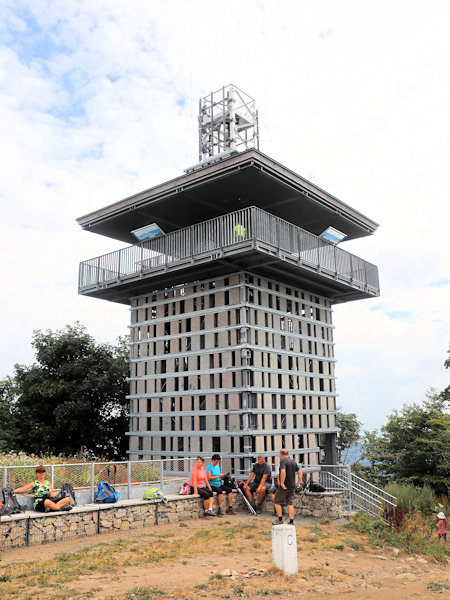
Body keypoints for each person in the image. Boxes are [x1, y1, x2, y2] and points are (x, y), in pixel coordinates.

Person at [273, 449, 302, 525]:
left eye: (279, 454)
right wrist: (298, 483)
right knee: (290, 503)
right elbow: (300, 472)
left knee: (276, 501)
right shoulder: (293, 461)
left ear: (281, 454)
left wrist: (282, 483)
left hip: (285, 486)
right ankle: (291, 521)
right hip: (292, 486)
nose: (279, 456)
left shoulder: (283, 461)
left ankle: (280, 520)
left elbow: (283, 472)